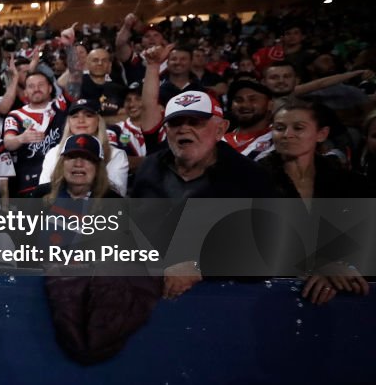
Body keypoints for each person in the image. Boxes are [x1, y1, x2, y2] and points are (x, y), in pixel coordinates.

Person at [131, 90, 278, 300]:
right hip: (153, 302)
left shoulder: (251, 177)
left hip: (225, 304)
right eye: (175, 123)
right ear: (166, 130)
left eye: (195, 121)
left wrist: (200, 267)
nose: (184, 128)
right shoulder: (150, 168)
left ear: (220, 129)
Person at [258, 97, 372, 304]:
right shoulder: (252, 181)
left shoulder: (351, 183)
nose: (287, 135)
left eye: (298, 128)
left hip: (345, 295)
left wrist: (344, 266)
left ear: (322, 134)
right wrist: (317, 265)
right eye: (279, 128)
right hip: (274, 296)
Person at [38, 97, 130, 195]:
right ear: (68, 122)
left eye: (88, 116)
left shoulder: (116, 155)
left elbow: (116, 196)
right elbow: (44, 192)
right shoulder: (54, 152)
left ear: (98, 121)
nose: (81, 120)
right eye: (75, 116)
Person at [3, 65, 68, 197]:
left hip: (60, 181)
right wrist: (21, 138)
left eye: (41, 85)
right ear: (25, 92)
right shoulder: (15, 115)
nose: (36, 89)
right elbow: (8, 142)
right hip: (28, 185)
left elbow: (73, 79)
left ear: (50, 88)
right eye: (31, 86)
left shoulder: (59, 106)